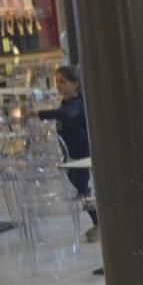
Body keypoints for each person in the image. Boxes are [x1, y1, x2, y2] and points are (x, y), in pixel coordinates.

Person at [38, 65, 98, 242]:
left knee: (82, 188)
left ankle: (100, 223)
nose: (59, 86)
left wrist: (39, 114)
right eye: (57, 82)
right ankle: (98, 222)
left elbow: (66, 115)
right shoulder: (66, 102)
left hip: (82, 151)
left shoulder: (76, 103)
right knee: (80, 188)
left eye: (63, 82)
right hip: (72, 153)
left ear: (75, 84)